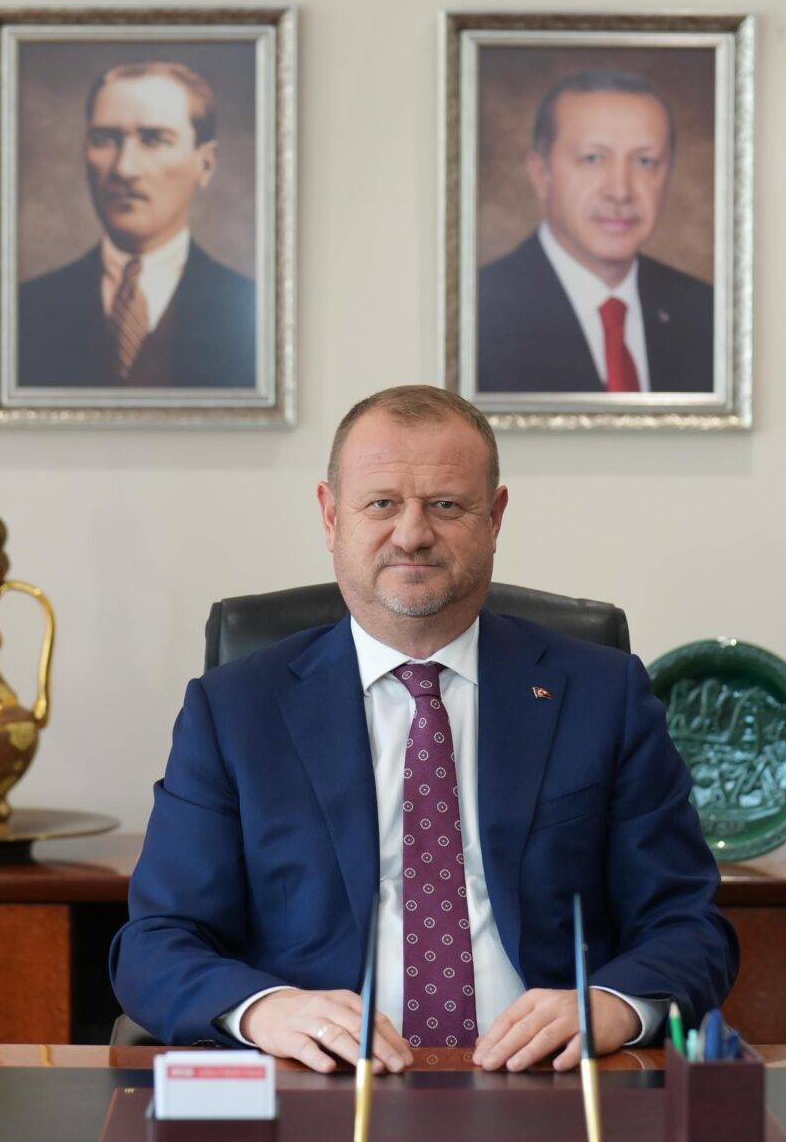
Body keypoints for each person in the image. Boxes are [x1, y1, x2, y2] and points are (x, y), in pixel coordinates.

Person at [110, 385, 735, 1071]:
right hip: (322, 1083)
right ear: (331, 516)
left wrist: (611, 1006)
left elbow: (688, 922)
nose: (412, 534)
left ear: (494, 518)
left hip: (547, 1081)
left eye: (446, 505)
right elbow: (155, 943)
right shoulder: (235, 711)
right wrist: (268, 1011)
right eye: (382, 504)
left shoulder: (601, 695)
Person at [15, 60, 256, 389]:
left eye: (154, 140)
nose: (124, 169)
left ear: (206, 164)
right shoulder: (26, 309)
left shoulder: (252, 311)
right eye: (104, 139)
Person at [475, 69, 715, 396]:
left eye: (645, 162)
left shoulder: (706, 312)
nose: (620, 191)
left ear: (668, 175)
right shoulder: (480, 310)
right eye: (593, 158)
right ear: (541, 173)